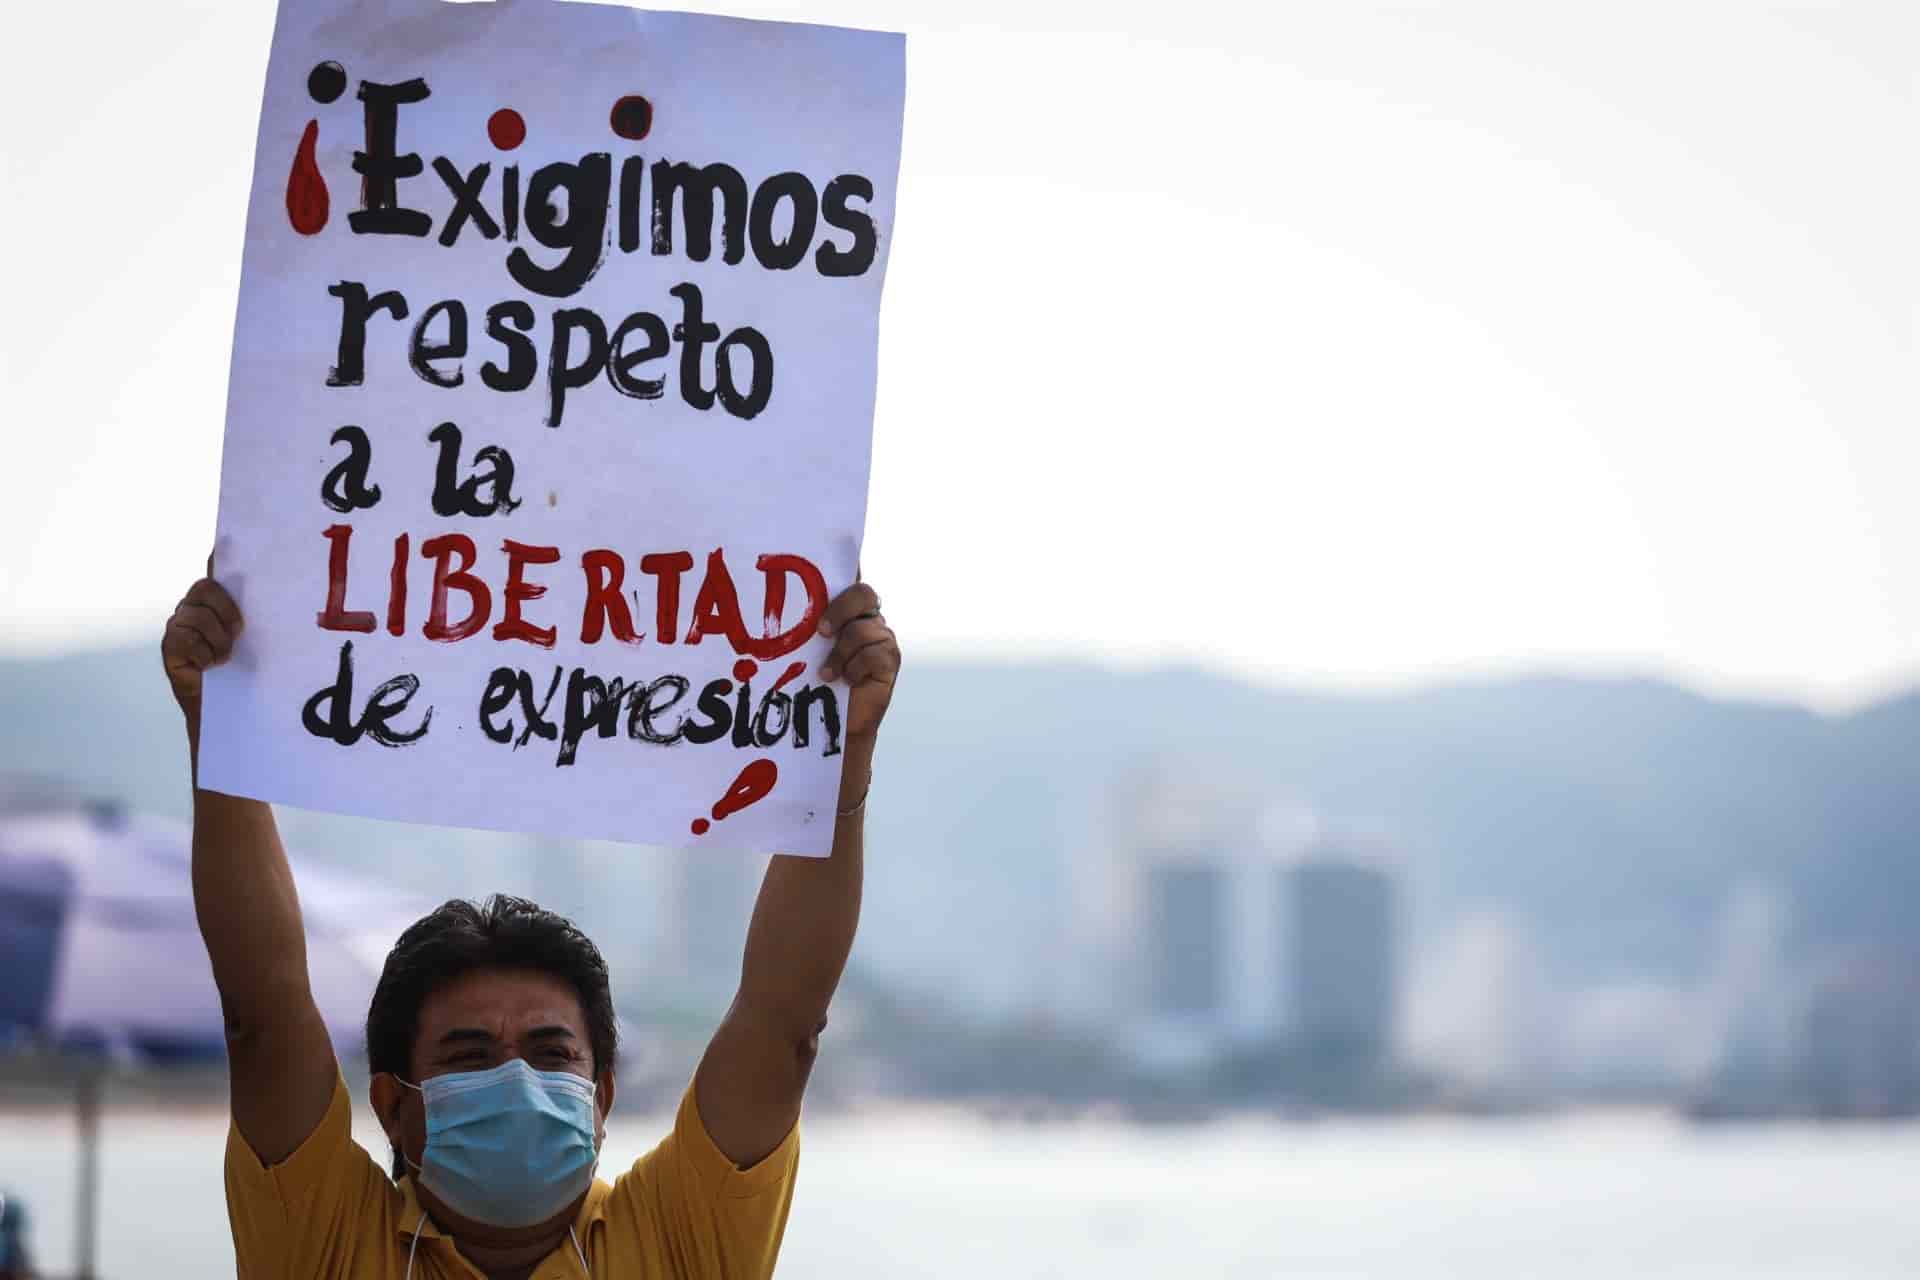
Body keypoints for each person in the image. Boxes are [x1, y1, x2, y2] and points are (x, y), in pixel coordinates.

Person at [162, 569, 899, 1279]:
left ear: (602, 1097)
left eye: (551, 1055)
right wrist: (218, 729)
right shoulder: (320, 1238)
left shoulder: (682, 1234)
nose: (516, 1080)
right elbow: (263, 1012)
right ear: (392, 1106)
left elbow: (783, 1023)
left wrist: (844, 755)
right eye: (469, 1056)